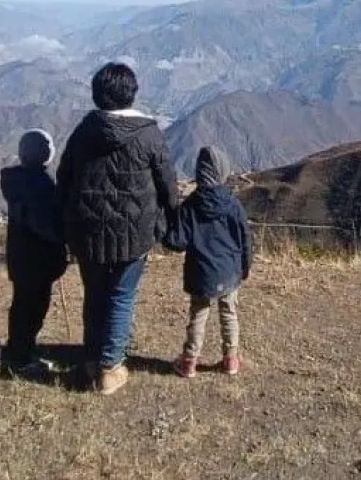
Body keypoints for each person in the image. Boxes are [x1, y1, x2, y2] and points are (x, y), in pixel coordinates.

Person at [57, 62, 179, 394]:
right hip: (135, 234)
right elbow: (167, 183)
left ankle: (92, 360)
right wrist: (172, 217)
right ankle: (111, 368)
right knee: (121, 296)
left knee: (94, 295)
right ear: (132, 92)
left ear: (97, 94)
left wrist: (66, 220)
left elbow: (64, 178)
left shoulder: (84, 131)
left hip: (88, 233)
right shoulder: (148, 134)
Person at [164, 145, 253, 378]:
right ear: (223, 171)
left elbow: (176, 242)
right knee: (229, 314)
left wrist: (164, 222)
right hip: (230, 271)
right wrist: (245, 267)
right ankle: (231, 360)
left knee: (198, 316)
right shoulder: (233, 205)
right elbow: (245, 238)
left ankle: (189, 362)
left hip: (201, 273)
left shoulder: (190, 207)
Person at [0, 129, 68, 376]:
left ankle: (18, 350)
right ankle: (21, 358)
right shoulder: (42, 187)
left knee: (21, 306)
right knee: (33, 309)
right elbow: (45, 226)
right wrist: (63, 237)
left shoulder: (14, 182)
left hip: (19, 257)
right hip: (39, 261)